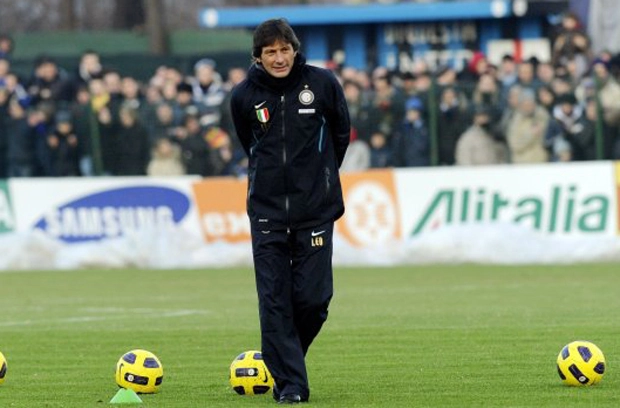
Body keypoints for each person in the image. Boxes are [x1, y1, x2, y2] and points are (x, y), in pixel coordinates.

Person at [230, 18, 350, 404]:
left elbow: (341, 134)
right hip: (267, 214)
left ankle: (282, 358)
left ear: (295, 50)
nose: (279, 58)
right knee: (274, 302)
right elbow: (248, 144)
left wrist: (321, 175)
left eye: (284, 49)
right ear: (258, 56)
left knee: (314, 300)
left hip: (316, 209)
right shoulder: (243, 95)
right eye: (270, 52)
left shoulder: (323, 84)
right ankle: (292, 386)